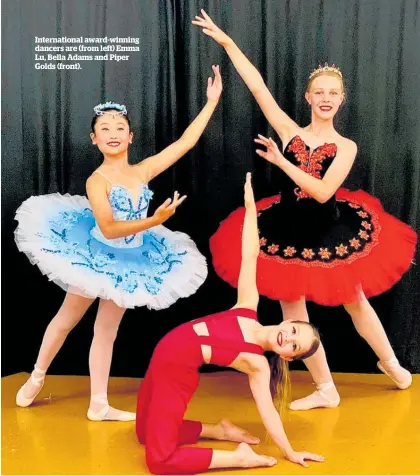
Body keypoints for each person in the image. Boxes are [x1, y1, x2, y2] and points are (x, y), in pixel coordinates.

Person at [192, 10, 417, 410]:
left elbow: (324, 191)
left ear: (341, 100)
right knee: (293, 314)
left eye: (334, 93)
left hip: (328, 233)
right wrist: (227, 43)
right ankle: (325, 387)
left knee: (356, 302)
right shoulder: (290, 131)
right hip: (284, 232)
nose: (327, 98)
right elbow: (258, 86)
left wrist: (281, 163)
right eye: (320, 92)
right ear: (308, 98)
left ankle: (392, 364)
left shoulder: (346, 147)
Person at [14, 65, 223, 420]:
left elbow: (185, 143)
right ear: (94, 139)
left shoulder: (141, 171)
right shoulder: (98, 181)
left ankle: (99, 403)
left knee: (106, 330)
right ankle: (37, 375)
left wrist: (211, 103)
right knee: (67, 318)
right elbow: (109, 229)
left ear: (131, 136)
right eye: (104, 129)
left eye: (119, 128)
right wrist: (155, 220)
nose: (113, 133)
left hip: (133, 258)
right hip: (95, 252)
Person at [135, 173, 324, 474]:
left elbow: (269, 413)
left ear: (288, 357)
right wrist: (251, 209)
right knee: (143, 434)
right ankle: (219, 430)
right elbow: (251, 254)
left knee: (159, 461)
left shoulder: (258, 364)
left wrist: (290, 451)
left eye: (293, 345)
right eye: (292, 331)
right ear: (286, 322)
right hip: (160, 356)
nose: (287, 338)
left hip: (177, 372)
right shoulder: (248, 306)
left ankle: (238, 457)